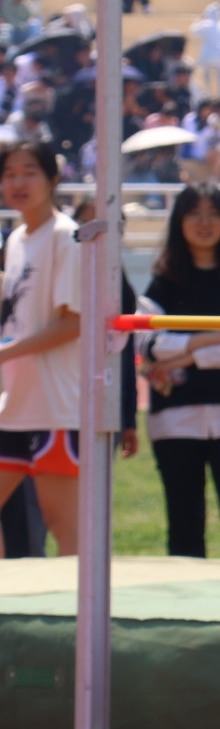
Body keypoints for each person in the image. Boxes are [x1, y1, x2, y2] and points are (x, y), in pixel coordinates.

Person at [137, 185, 220, 559]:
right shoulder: (163, 281)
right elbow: (147, 345)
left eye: (213, 214)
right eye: (194, 214)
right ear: (178, 222)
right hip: (175, 421)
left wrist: (182, 357)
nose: (204, 222)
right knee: (184, 530)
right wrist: (215, 336)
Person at [0, 143, 85, 556]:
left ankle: (83, 599)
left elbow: (74, 322)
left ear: (53, 179)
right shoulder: (17, 239)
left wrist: (6, 353)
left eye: (29, 171)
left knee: (62, 522)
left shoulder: (66, 236)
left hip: (55, 406)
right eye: (9, 173)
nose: (18, 182)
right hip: (14, 403)